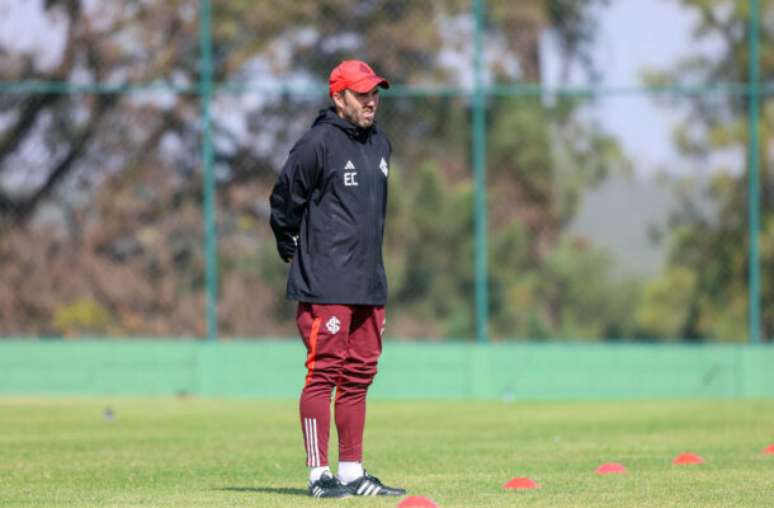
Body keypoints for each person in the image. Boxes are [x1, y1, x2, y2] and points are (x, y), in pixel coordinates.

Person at [269, 60, 406, 499]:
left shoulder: (381, 143)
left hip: (369, 283)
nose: (371, 101)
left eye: (375, 93)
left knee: (359, 376)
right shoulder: (318, 143)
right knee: (323, 375)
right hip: (326, 283)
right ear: (338, 97)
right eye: (362, 93)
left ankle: (351, 472)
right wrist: (293, 249)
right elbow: (283, 198)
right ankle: (318, 476)